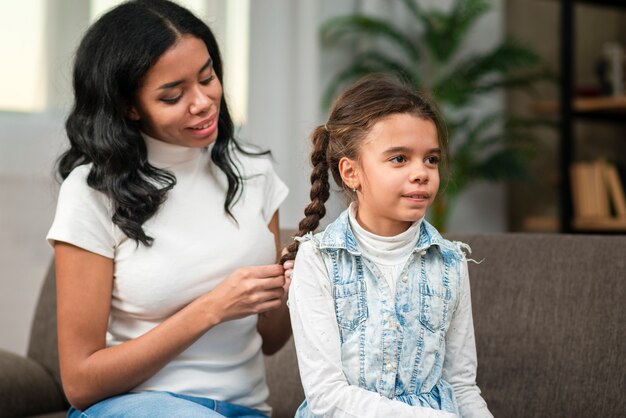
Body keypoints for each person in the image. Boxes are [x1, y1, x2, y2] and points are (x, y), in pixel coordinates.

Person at [46, 1, 293, 416]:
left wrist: (288, 290)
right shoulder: (91, 191)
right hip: (135, 406)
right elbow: (80, 382)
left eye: (207, 77)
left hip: (245, 410)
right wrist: (212, 308)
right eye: (173, 95)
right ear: (129, 106)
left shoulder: (253, 172)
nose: (202, 102)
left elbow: (271, 339)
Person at [282, 74, 493, 418]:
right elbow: (326, 397)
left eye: (431, 159)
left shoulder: (451, 262)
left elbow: (462, 386)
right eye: (399, 159)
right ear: (351, 173)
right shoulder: (317, 260)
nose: (421, 173)